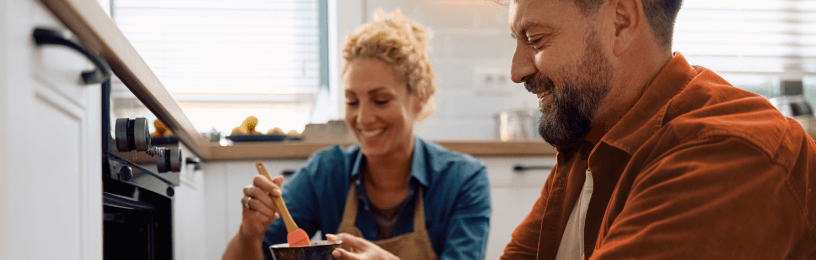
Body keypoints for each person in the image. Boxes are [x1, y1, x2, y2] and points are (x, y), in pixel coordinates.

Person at [499, 0, 816, 259]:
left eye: (536, 39)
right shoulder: (589, 138)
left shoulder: (728, 152)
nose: (517, 71)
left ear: (620, 23)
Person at [222, 9, 492, 260]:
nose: (362, 118)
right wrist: (250, 233)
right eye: (352, 101)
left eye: (381, 100)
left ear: (418, 98)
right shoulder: (326, 173)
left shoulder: (462, 180)